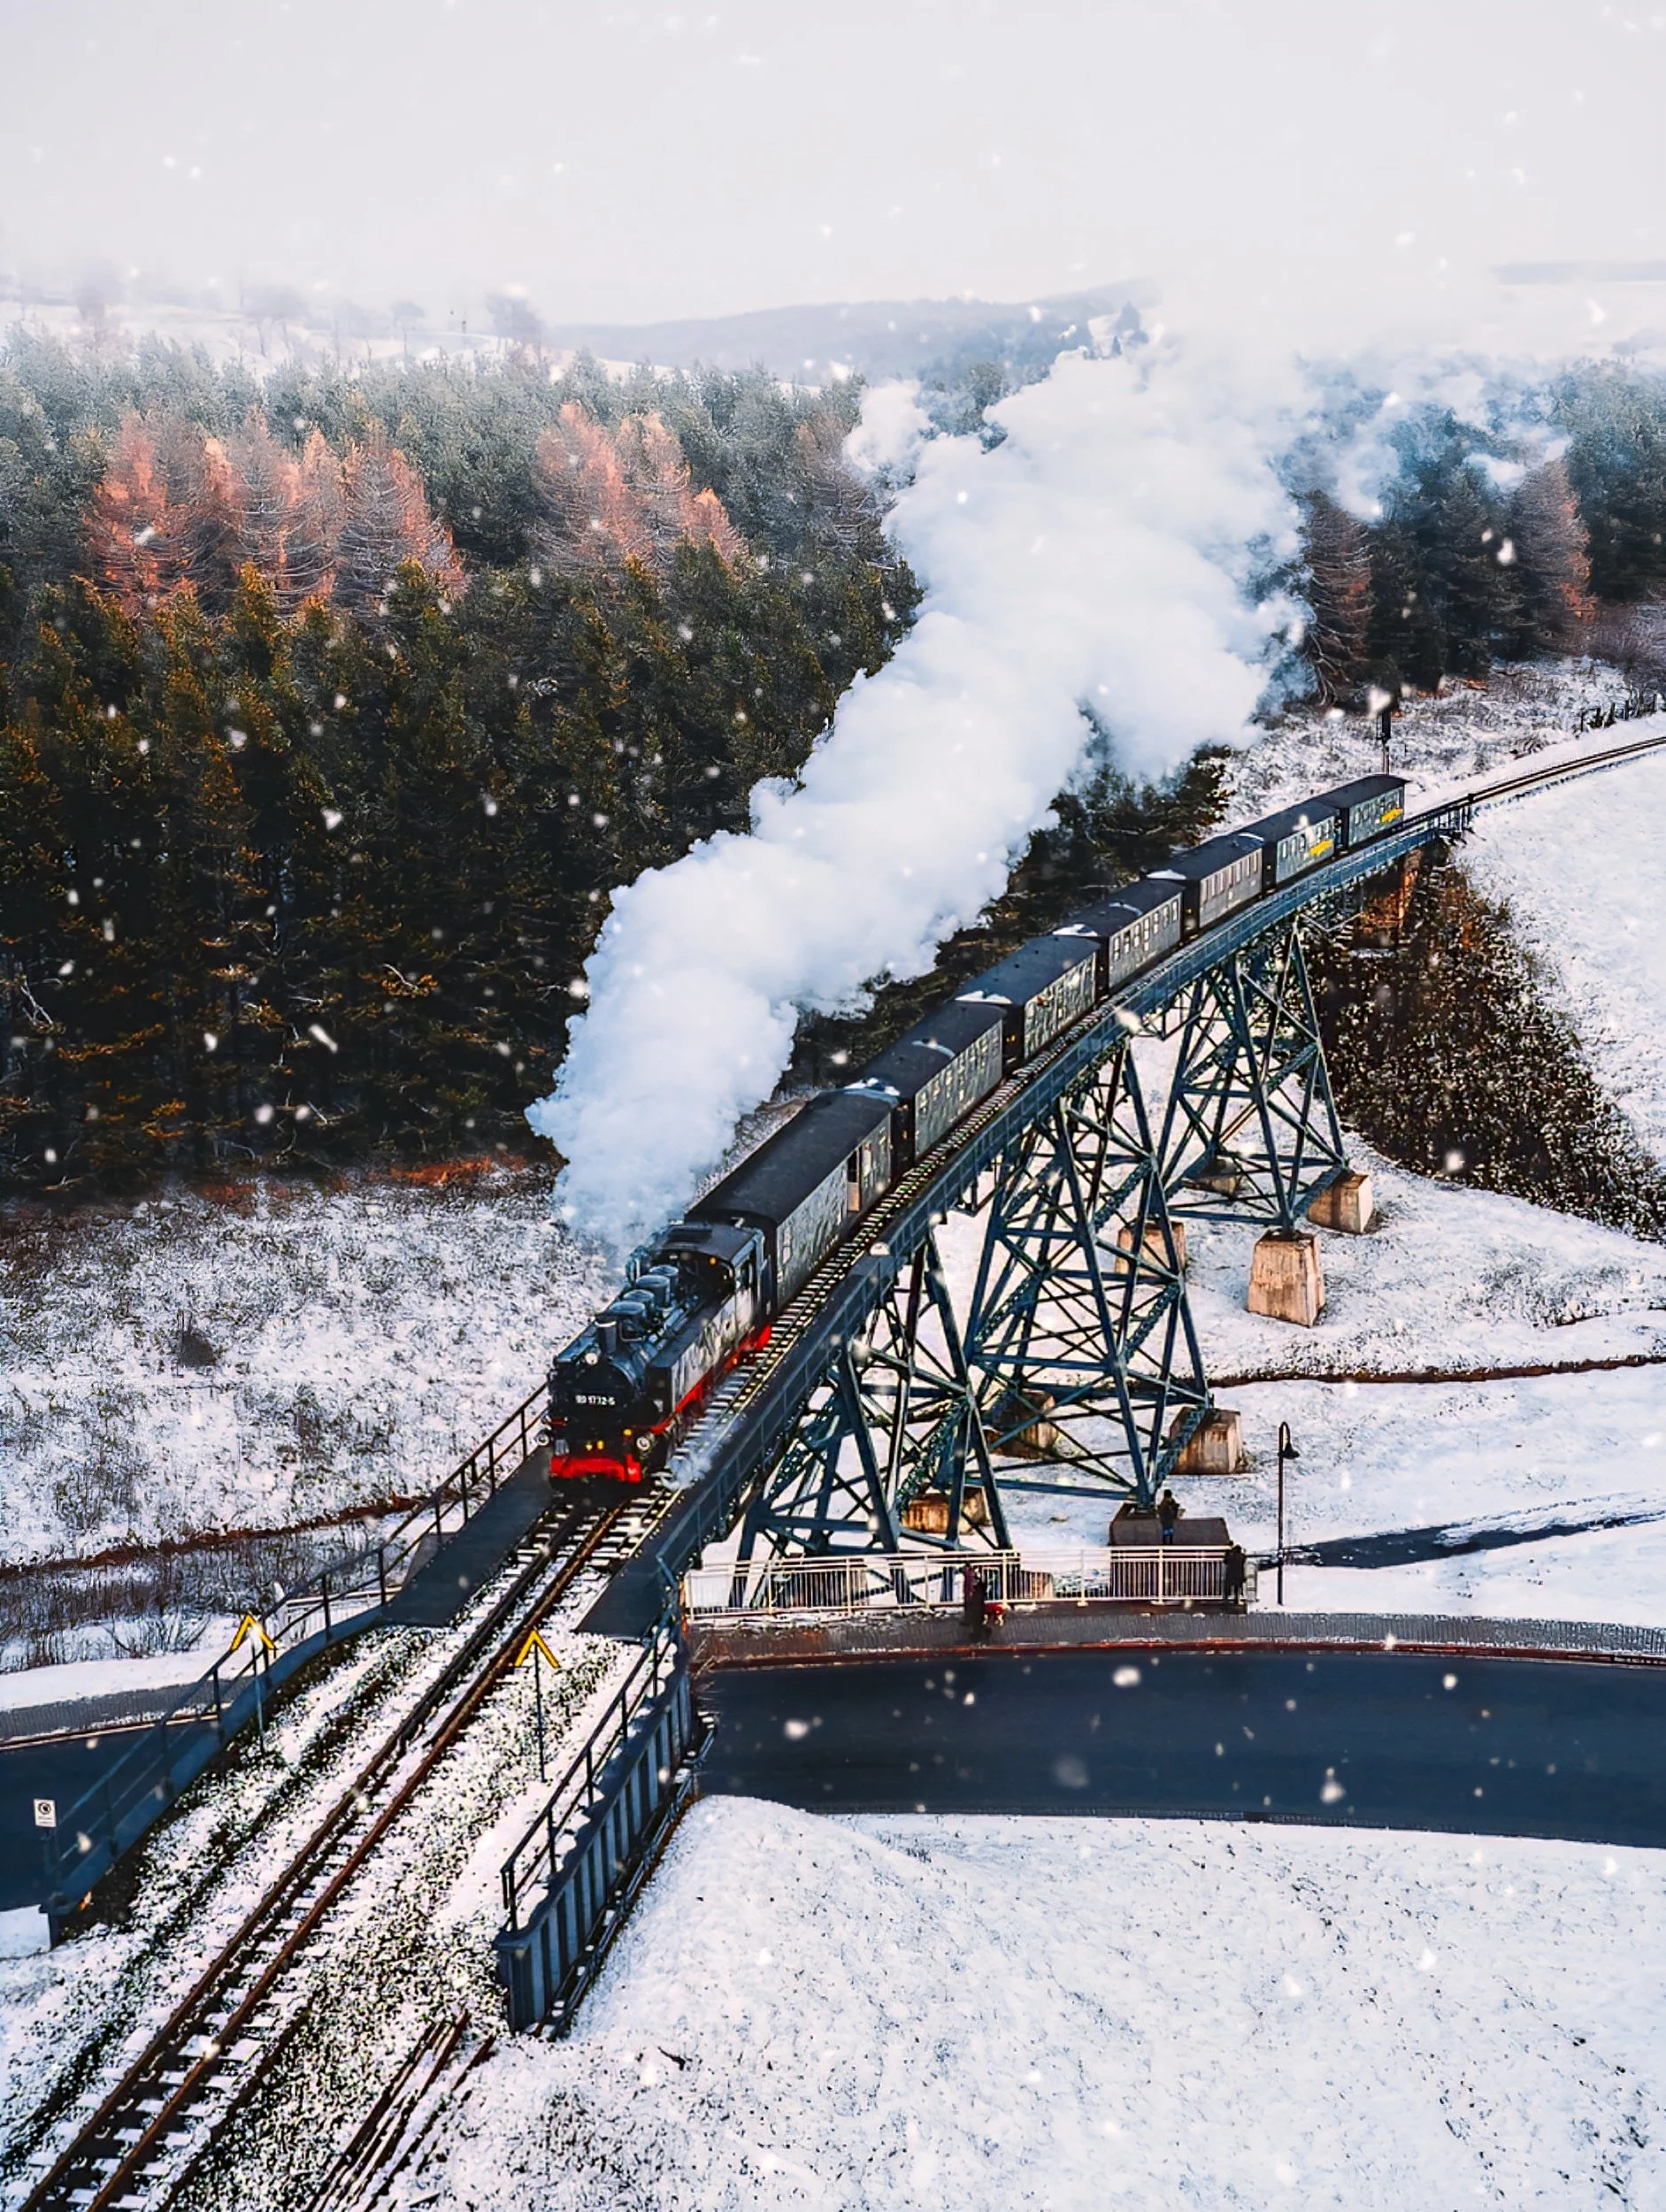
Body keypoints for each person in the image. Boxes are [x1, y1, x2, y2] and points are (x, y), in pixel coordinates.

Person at [1222, 1542, 1247, 1608]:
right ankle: (1237, 1600)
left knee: (1228, 1588)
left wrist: (1228, 1551)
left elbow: (1225, 1561)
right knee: (1237, 1589)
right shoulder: (1241, 1556)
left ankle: (1226, 1600)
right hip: (1239, 1574)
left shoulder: (1230, 1555)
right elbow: (1244, 1559)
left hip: (1230, 1574)